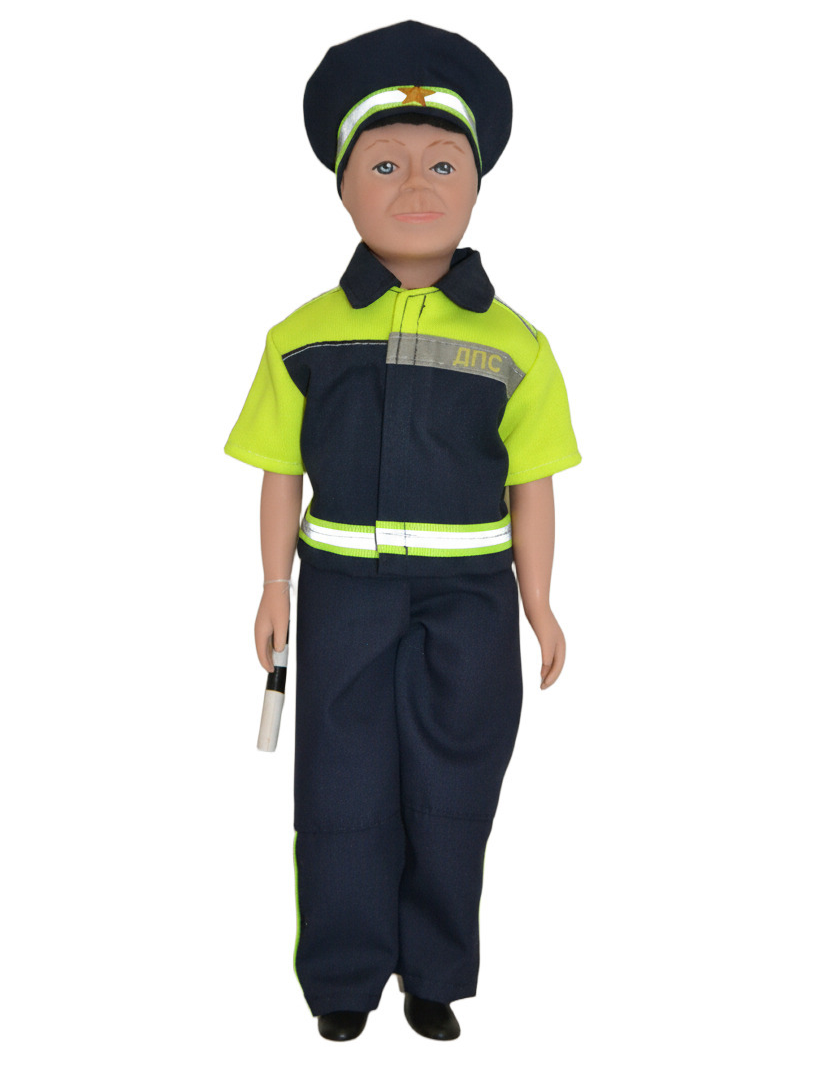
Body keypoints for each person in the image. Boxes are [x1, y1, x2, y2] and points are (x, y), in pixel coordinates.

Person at [224, 20, 581, 1042]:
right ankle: (342, 977)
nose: (416, 185)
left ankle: (434, 973)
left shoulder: (518, 344)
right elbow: (280, 470)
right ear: (343, 186)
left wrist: (539, 599)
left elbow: (534, 482)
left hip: (472, 599)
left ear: (477, 186)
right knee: (339, 784)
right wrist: (274, 586)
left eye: (442, 164)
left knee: (455, 783)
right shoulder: (301, 336)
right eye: (384, 163)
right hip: (341, 591)